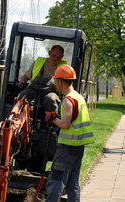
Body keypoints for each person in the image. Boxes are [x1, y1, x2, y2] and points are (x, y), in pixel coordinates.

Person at [44, 64, 94, 202]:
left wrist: (53, 119)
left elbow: (65, 124)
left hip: (67, 147)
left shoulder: (67, 100)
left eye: (56, 81)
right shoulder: (79, 97)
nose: (55, 84)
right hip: (78, 147)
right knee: (73, 182)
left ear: (60, 81)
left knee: (57, 180)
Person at [18, 45, 66, 112]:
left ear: (62, 57)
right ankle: (20, 118)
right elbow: (26, 76)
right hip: (34, 89)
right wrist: (22, 80)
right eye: (53, 56)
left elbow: (64, 85)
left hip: (51, 92)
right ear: (49, 53)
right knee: (23, 95)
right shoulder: (39, 62)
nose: (55, 59)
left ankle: (52, 121)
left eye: (58, 57)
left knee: (51, 100)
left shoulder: (64, 68)